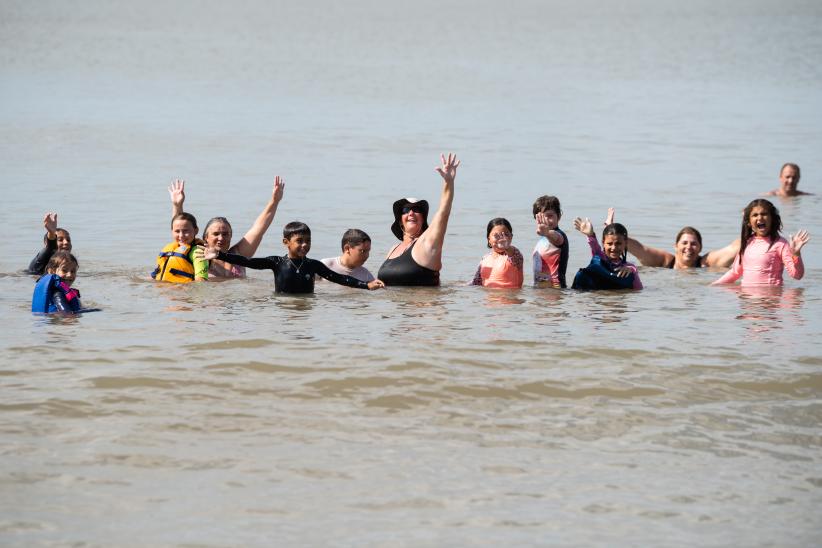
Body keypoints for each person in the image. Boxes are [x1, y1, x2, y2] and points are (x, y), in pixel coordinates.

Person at [204, 222, 385, 293]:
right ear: (286, 242)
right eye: (299, 241)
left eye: (308, 241)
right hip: (282, 305)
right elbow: (248, 262)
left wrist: (365, 285)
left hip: (307, 307)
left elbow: (340, 278)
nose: (304, 245)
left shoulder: (314, 265)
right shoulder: (276, 262)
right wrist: (219, 255)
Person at [168, 177, 285, 279]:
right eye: (216, 234)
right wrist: (177, 205)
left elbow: (259, 229)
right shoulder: (197, 254)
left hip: (234, 303)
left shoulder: (239, 255)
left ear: (231, 236)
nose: (221, 238)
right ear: (205, 237)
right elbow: (180, 233)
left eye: (225, 234)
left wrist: (274, 201)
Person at [378, 153, 460, 286]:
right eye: (405, 210)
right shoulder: (394, 249)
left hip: (422, 306)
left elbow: (443, 213)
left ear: (423, 220)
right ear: (400, 222)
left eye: (416, 209)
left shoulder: (428, 243)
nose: (411, 212)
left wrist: (448, 183)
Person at [712, 199, 809, 286]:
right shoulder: (747, 242)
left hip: (770, 300)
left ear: (772, 219)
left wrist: (796, 255)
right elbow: (735, 272)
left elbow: (797, 275)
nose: (760, 218)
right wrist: (714, 285)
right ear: (749, 222)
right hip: (748, 301)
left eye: (764, 214)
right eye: (755, 215)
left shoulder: (780, 244)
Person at [607, 209, 738, 269]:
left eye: (693, 244)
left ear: (700, 248)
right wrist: (614, 232)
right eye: (684, 243)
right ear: (675, 246)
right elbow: (640, 249)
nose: (688, 247)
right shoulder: (665, 261)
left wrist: (751, 228)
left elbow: (733, 249)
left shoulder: (706, 263)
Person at [571, 217, 643, 290]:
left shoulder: (628, 268)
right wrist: (590, 235)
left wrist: (631, 270)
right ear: (603, 243)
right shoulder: (599, 257)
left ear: (625, 243)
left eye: (618, 243)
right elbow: (594, 246)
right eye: (609, 244)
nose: (613, 248)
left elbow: (639, 289)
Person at [152, 212, 208, 283]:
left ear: (196, 230)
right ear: (172, 231)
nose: (181, 235)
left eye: (185, 231)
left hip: (182, 292)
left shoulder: (198, 253)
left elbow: (201, 282)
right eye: (177, 231)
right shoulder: (171, 249)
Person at [470, 218, 524, 288]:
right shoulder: (485, 259)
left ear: (511, 237)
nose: (501, 239)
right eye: (496, 235)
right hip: (488, 299)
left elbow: (513, 255)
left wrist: (507, 247)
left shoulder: (514, 255)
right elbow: (476, 282)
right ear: (488, 239)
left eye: (506, 235)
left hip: (510, 298)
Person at [531, 195, 569, 288]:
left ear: (559, 216)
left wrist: (547, 233)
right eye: (542, 217)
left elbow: (557, 239)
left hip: (555, 289)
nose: (546, 220)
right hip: (541, 288)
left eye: (550, 216)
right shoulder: (542, 239)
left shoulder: (559, 235)